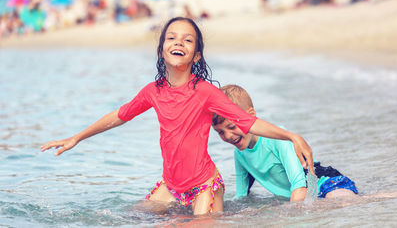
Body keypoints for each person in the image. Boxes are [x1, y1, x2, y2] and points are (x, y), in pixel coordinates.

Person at [40, 17, 314, 215]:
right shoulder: (153, 92)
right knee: (131, 216)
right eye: (171, 37)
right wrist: (77, 137)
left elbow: (248, 122)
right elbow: (119, 116)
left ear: (196, 55)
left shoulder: (205, 92)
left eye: (187, 39)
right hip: (171, 186)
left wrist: (291, 135)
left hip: (204, 184)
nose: (178, 42)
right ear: (161, 50)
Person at [212, 84, 358, 202]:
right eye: (220, 132)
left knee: (340, 201)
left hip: (326, 184)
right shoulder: (239, 154)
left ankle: (378, 199)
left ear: (250, 116)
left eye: (231, 127)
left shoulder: (277, 139)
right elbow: (241, 197)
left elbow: (299, 185)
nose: (228, 136)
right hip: (304, 195)